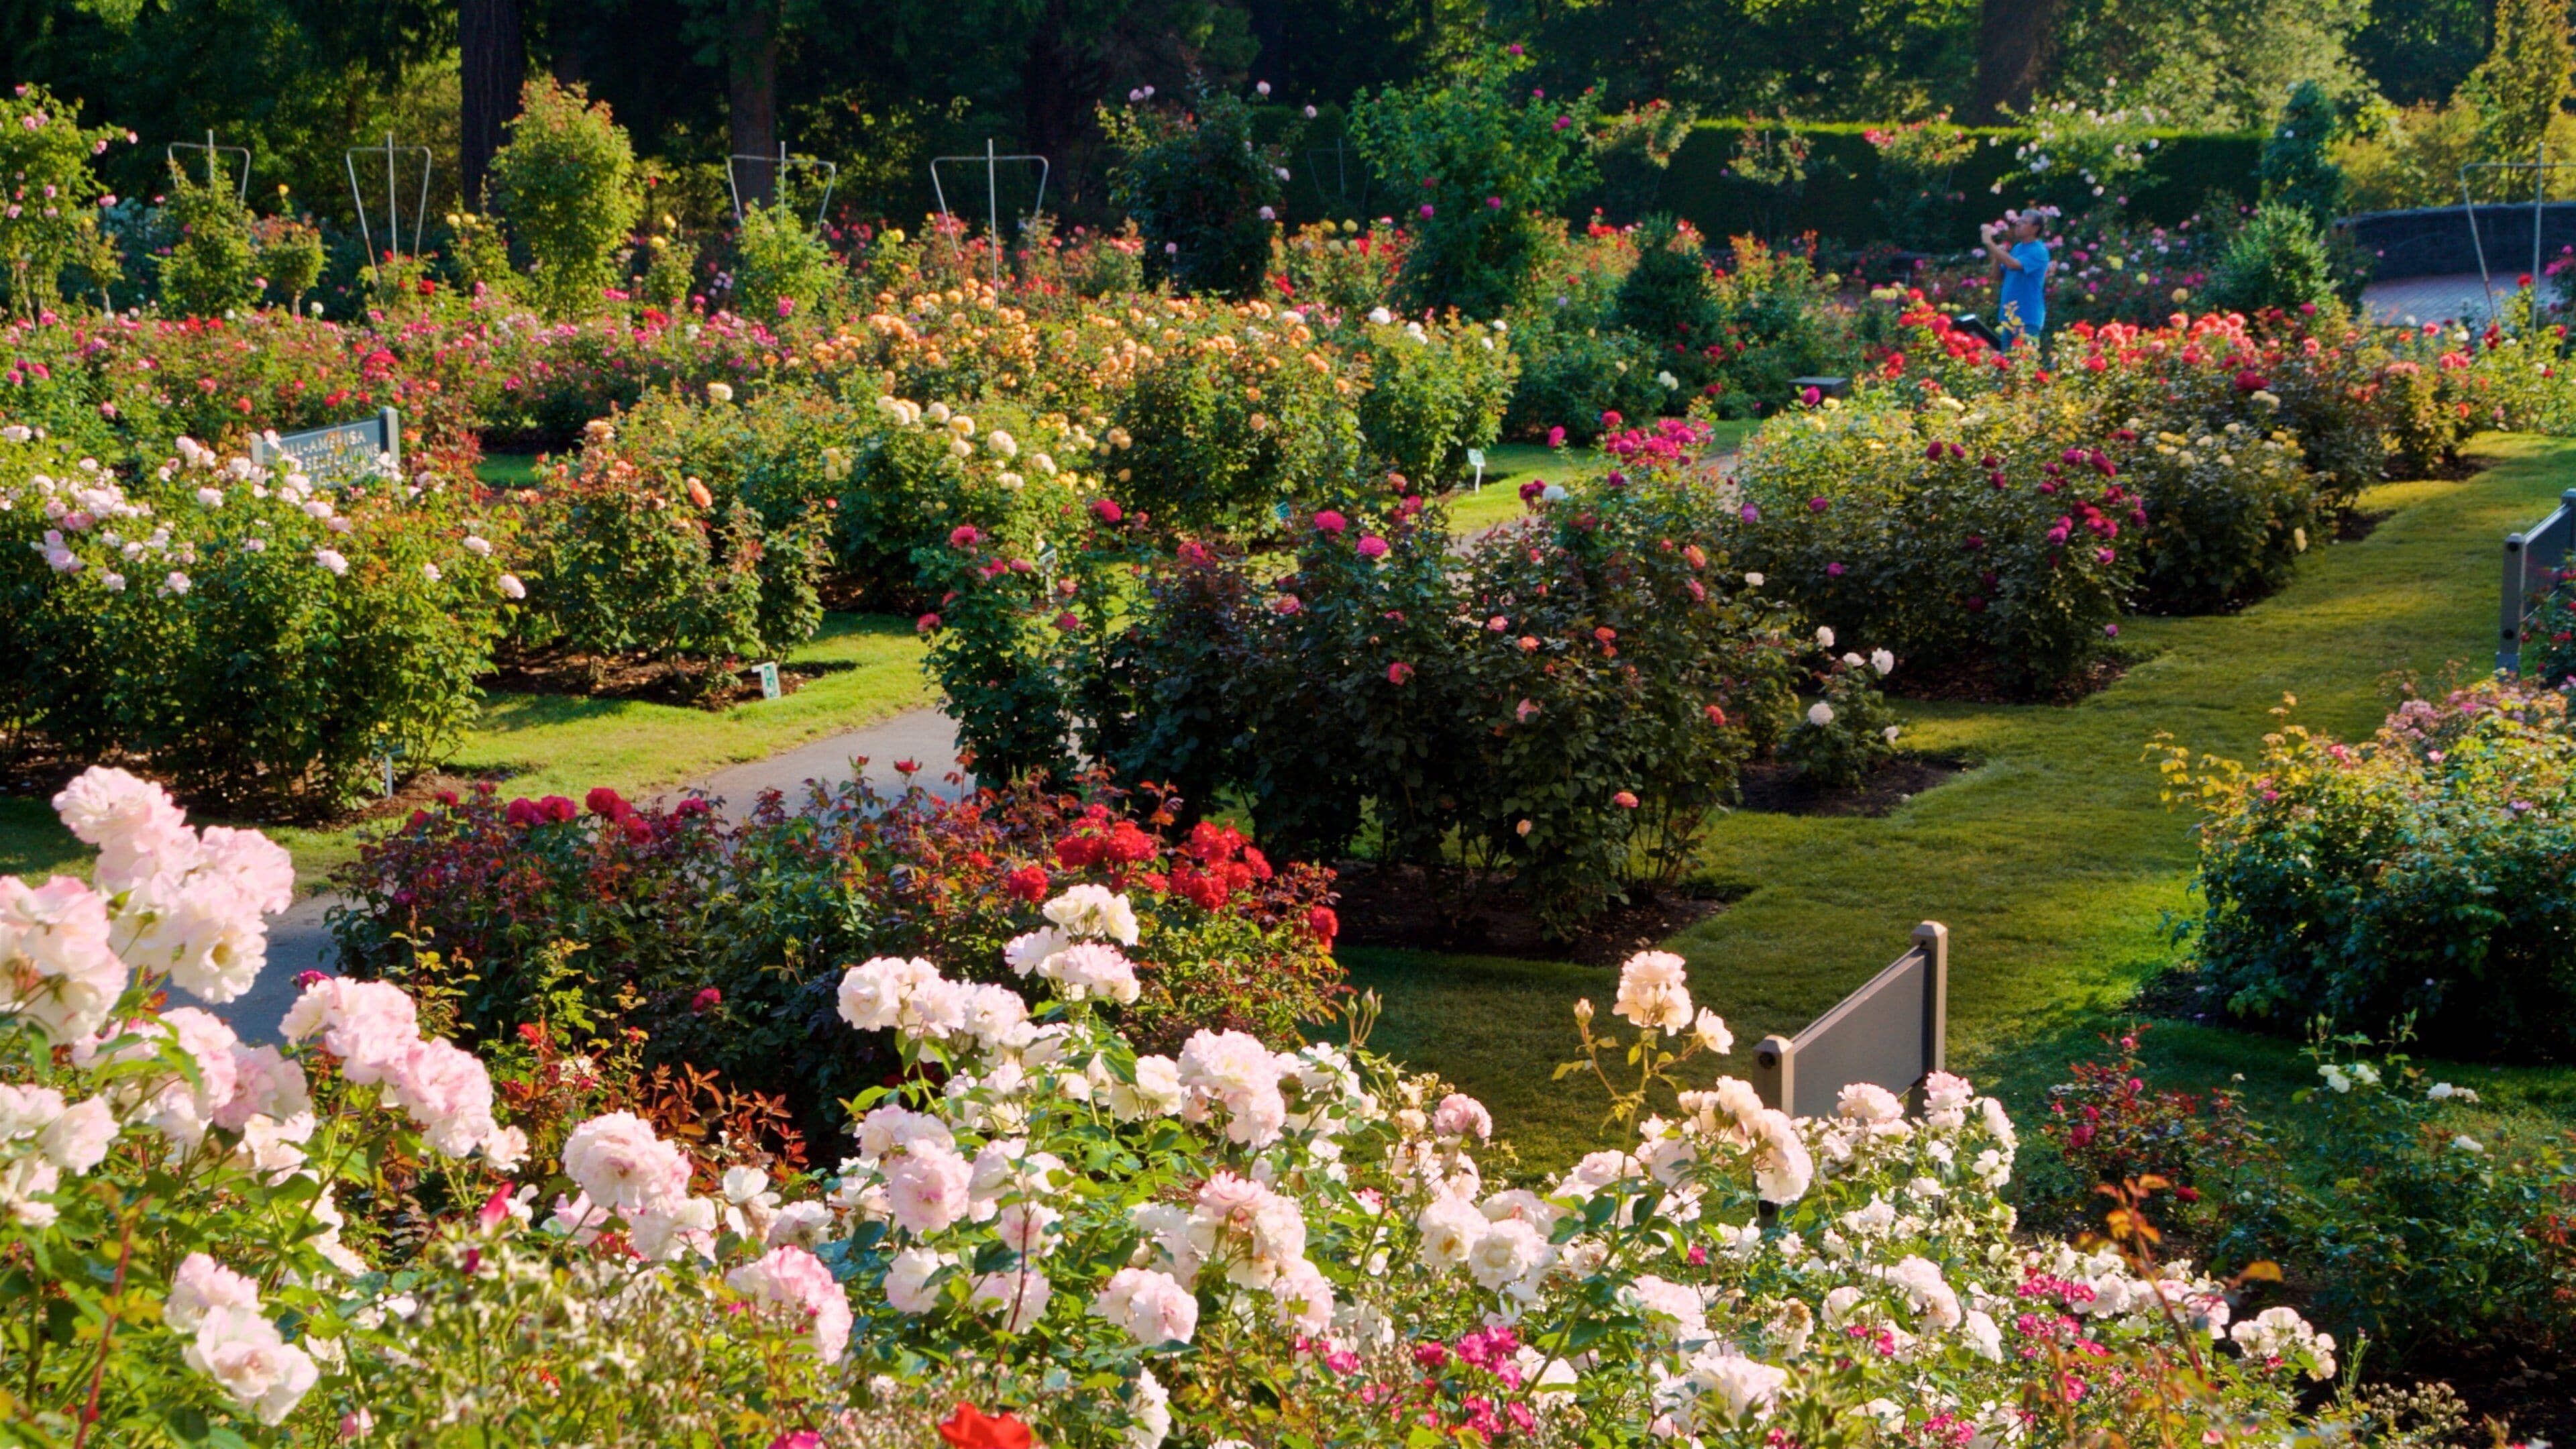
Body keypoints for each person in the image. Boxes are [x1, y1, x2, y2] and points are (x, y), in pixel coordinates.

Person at [1978, 209, 2053, 348]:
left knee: (2023, 364)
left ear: (2035, 228)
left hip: (2027, 319)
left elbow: (2013, 264)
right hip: (2009, 318)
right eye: (2019, 221)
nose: (2018, 224)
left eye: (2024, 222)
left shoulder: (2039, 250)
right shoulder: (2018, 248)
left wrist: (1990, 244)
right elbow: (1997, 276)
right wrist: (1997, 256)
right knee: (2007, 366)